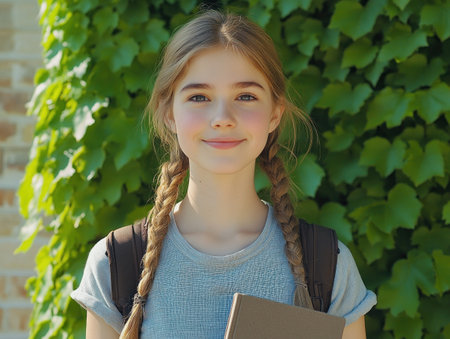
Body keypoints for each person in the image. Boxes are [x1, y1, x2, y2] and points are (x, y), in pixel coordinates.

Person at [71, 9, 376, 339]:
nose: (222, 117)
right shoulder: (115, 265)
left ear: (275, 113)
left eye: (245, 96)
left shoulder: (328, 265)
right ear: (169, 113)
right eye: (199, 97)